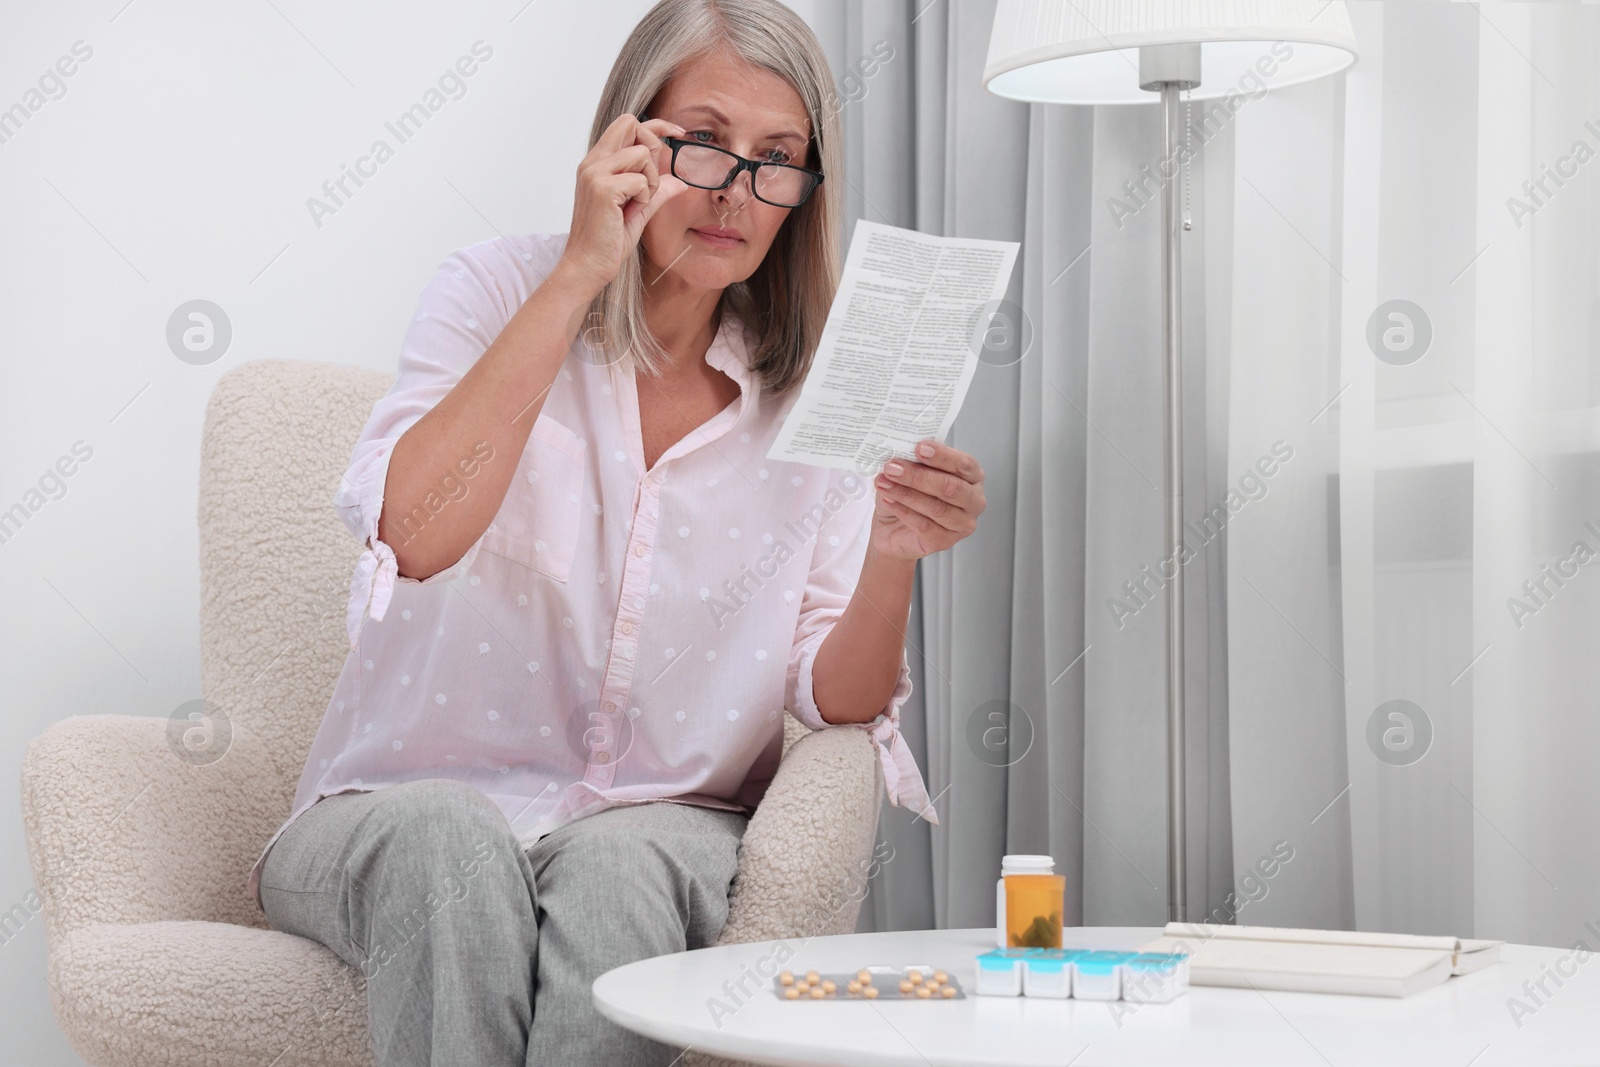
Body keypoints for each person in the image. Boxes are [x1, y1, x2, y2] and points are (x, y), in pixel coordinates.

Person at [249, 0, 987, 1063]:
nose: (738, 189)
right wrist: (581, 273)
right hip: (386, 813)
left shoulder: (811, 400)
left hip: (660, 821)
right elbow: (414, 533)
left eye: (777, 159)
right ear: (628, 140)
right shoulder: (491, 289)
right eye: (705, 142)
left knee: (617, 863)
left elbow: (837, 700)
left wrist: (893, 552)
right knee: (445, 837)